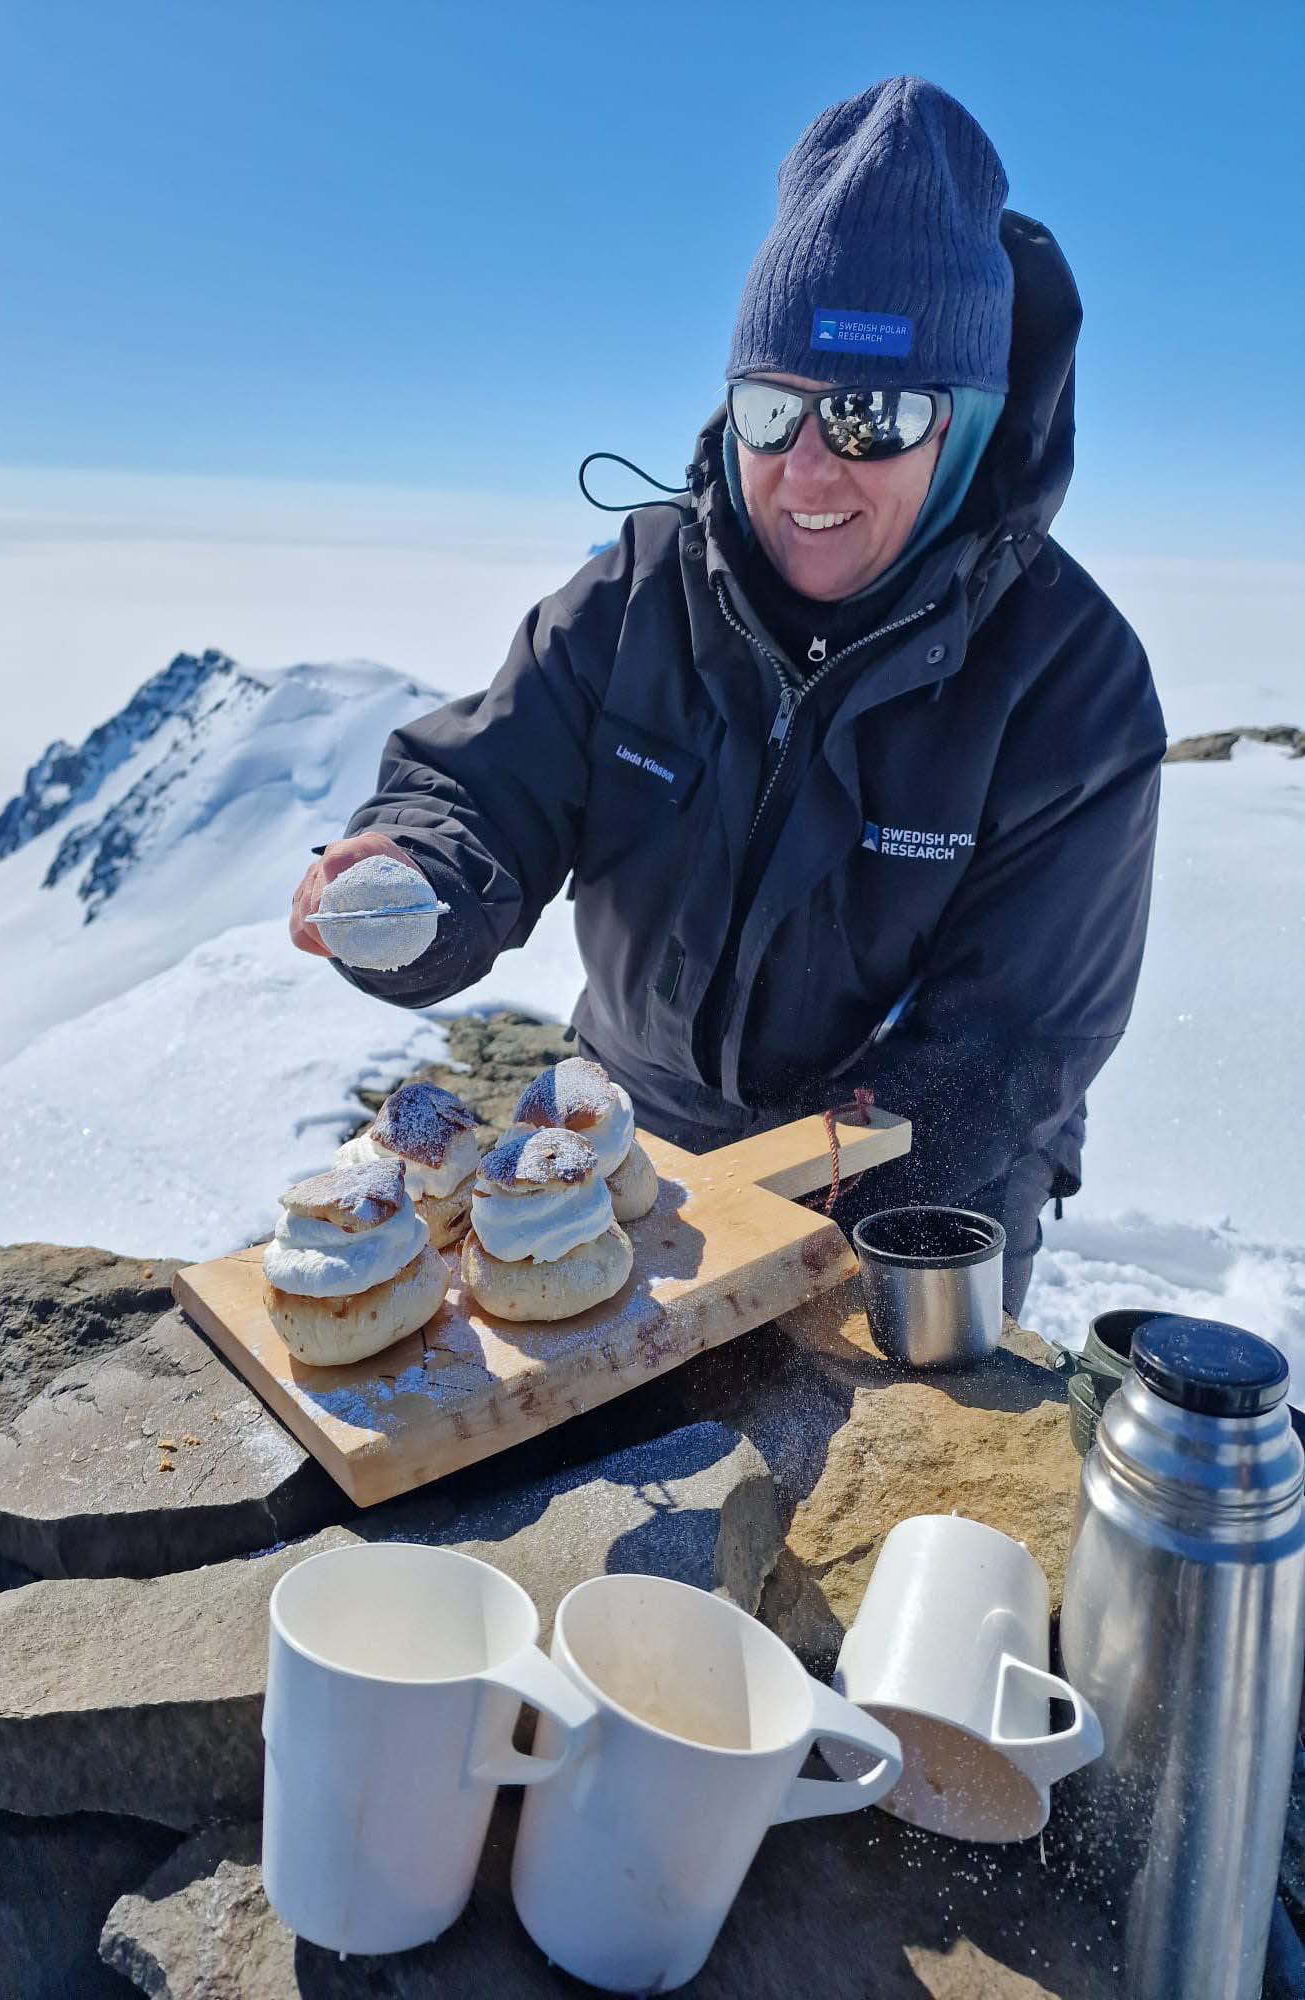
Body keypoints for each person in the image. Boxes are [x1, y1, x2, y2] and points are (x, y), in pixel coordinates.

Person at [289, 75, 1166, 1314]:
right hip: (628, 1143)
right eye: (772, 406)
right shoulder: (639, 590)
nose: (806, 465)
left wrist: (804, 1243)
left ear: (962, 428)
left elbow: (1013, 1042)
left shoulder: (1072, 685)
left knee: (883, 1508)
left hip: (913, 1190)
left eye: (869, 414)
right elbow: (488, 787)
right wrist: (420, 880)